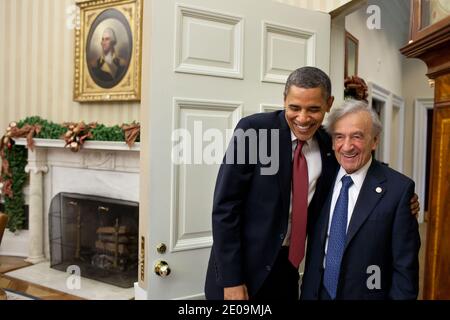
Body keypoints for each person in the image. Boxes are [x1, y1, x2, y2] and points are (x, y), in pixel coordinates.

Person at [205, 66, 338, 300]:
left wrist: (404, 197)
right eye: (294, 107)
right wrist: (232, 280)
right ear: (284, 100)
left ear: (329, 103)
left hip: (288, 270)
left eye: (314, 109)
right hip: (241, 269)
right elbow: (225, 207)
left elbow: (360, 168)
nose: (303, 118)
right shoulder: (254, 131)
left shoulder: (330, 145)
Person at [300, 100, 420, 300]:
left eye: (357, 136)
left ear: (374, 141)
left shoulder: (398, 191)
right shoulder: (320, 178)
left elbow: (405, 270)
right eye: (339, 137)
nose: (347, 146)